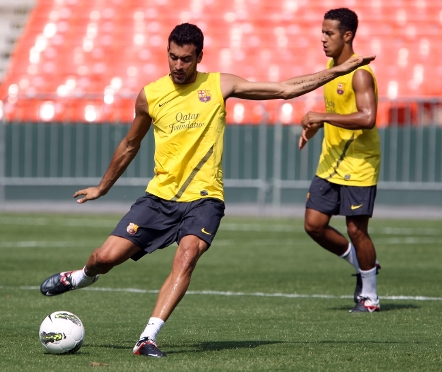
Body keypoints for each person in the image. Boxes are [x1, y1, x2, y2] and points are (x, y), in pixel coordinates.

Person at [40, 22, 375, 357]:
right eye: (172, 57)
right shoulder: (151, 94)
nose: (178, 66)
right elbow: (130, 143)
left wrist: (340, 70)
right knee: (104, 258)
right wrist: (103, 186)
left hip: (205, 199)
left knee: (186, 257)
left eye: (186, 59)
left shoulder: (219, 84)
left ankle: (147, 338)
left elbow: (285, 89)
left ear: (199, 56)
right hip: (159, 197)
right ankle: (80, 277)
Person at [299, 8, 381, 313]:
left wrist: (321, 116)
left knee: (357, 231)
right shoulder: (332, 67)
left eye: (328, 33)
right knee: (313, 224)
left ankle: (369, 297)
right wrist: (316, 126)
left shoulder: (359, 73)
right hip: (331, 161)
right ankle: (365, 264)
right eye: (322, 32)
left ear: (347, 36)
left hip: (359, 164)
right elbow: (339, 109)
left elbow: (368, 117)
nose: (322, 38)